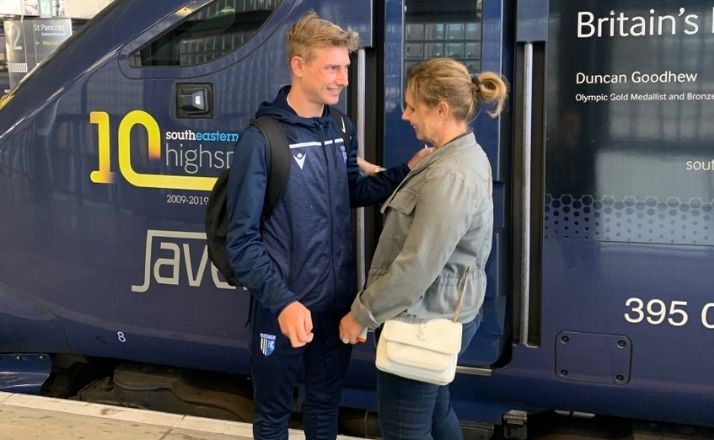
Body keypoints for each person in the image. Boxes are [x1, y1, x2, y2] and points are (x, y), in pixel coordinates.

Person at [226, 11, 430, 440]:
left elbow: (351, 190)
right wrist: (283, 303)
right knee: (273, 416)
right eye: (332, 68)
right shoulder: (262, 140)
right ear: (298, 66)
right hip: (283, 309)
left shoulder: (340, 127)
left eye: (345, 68)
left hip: (335, 305)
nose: (343, 79)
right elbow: (241, 242)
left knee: (324, 410)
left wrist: (405, 172)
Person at [339, 58, 508, 440]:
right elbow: (426, 201)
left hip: (422, 318)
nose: (405, 115)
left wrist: (362, 314)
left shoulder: (451, 173)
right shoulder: (455, 157)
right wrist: (369, 169)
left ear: (442, 110)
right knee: (434, 412)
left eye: (413, 106)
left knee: (404, 430)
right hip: (439, 311)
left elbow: (418, 264)